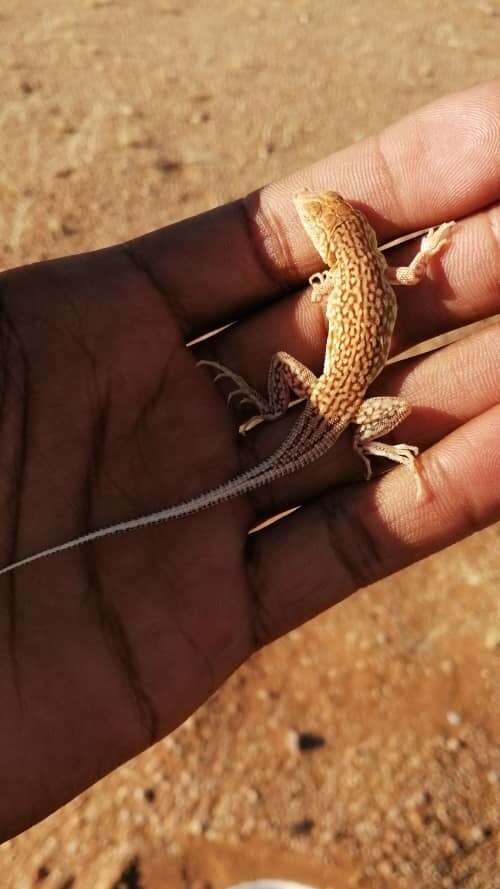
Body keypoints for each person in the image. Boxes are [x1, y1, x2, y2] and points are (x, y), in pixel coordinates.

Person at [0, 81, 498, 841]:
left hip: (336, 400)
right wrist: (424, 253)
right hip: (343, 400)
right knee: (363, 422)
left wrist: (351, 412)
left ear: (336, 250)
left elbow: (374, 283)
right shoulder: (364, 272)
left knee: (342, 415)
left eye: (320, 227)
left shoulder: (342, 280)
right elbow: (399, 278)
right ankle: (342, 435)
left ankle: (321, 427)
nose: (310, 221)